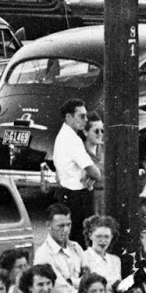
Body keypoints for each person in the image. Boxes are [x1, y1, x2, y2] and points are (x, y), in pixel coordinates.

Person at [52, 98, 96, 246]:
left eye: (86, 116)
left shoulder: (62, 135)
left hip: (66, 193)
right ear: (68, 117)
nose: (86, 120)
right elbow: (95, 172)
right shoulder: (72, 140)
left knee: (70, 242)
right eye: (81, 116)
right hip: (77, 198)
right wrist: (91, 174)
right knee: (82, 243)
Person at [82, 216, 123, 287]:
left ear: (112, 237)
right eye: (99, 236)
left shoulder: (115, 260)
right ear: (90, 236)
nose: (103, 240)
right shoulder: (83, 257)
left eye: (106, 237)